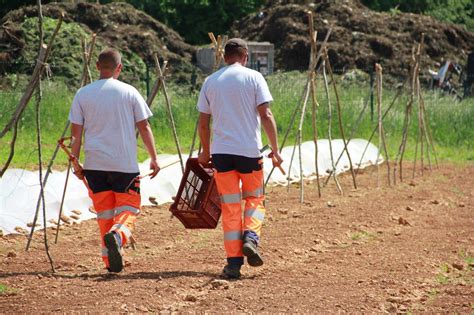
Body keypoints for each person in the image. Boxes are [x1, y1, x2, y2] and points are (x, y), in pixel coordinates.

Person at [197, 38, 283, 279]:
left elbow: (204, 123)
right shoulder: (254, 77)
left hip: (222, 154)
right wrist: (275, 150)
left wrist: (205, 152)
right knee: (255, 199)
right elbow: (265, 114)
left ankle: (233, 263)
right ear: (245, 55)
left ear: (225, 57)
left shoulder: (211, 81)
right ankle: (251, 238)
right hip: (249, 152)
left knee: (231, 207)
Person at [69, 48, 160, 273]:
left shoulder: (83, 94)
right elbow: (144, 126)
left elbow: (75, 135)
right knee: (129, 209)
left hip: (95, 166)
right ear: (119, 68)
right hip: (124, 166)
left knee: (104, 215)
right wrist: (154, 158)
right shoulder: (129, 92)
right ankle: (118, 236)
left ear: (97, 66)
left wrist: (75, 162)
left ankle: (110, 262)